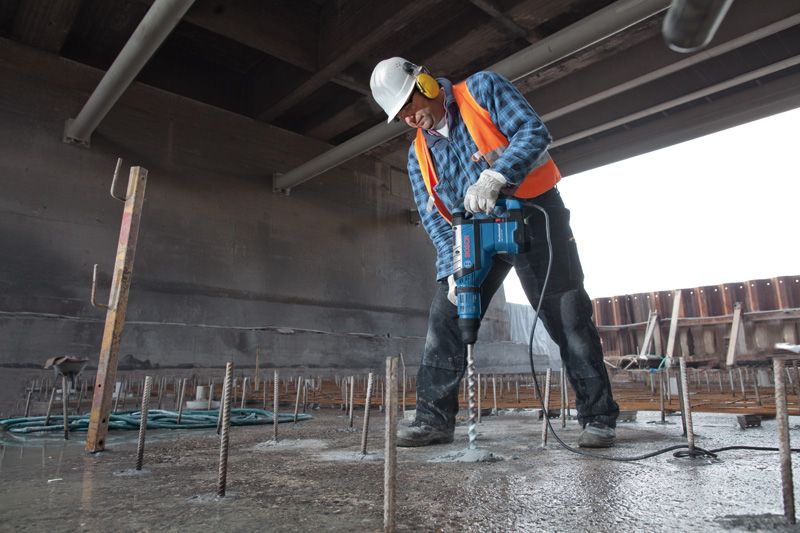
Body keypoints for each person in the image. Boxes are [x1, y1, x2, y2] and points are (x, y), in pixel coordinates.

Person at [369, 58, 619, 448]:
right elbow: (434, 215)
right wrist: (452, 270)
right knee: (446, 316)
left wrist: (497, 175)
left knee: (566, 312)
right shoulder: (417, 154)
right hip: (473, 233)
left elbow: (532, 131)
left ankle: (599, 417)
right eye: (399, 115)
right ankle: (433, 420)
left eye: (409, 106)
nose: (409, 118)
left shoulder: (482, 91)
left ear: (428, 86)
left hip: (533, 213)